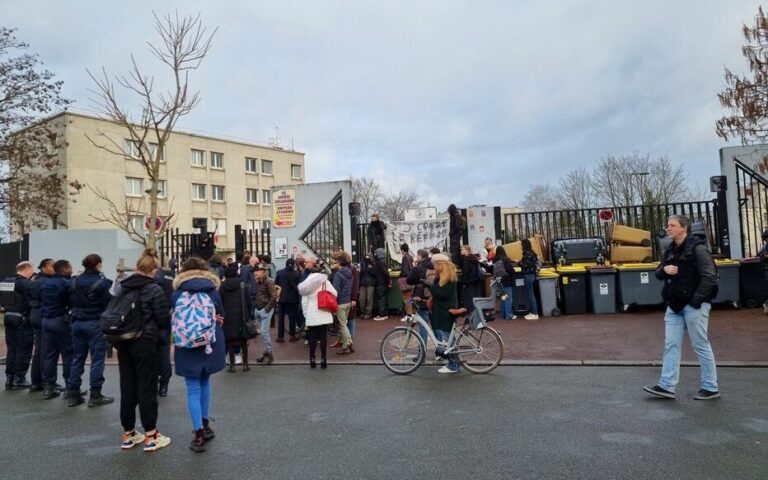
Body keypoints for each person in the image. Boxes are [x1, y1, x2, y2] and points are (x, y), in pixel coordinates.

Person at [644, 215, 720, 401]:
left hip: (694, 305)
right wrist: (664, 270)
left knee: (700, 344)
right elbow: (659, 272)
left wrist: (696, 300)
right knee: (671, 344)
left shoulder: (698, 248)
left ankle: (711, 386)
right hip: (674, 305)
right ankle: (666, 386)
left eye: (672, 225)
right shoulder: (670, 249)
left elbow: (710, 276)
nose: (668, 228)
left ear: (683, 229)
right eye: (668, 225)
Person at [115, 252, 172, 452]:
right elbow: (163, 319)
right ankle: (151, 434)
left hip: (123, 341)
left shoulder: (123, 287)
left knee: (127, 386)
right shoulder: (154, 289)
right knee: (147, 387)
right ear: (153, 271)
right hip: (145, 343)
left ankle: (128, 433)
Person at [171, 256, 226, 452]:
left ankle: (198, 434)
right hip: (208, 343)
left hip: (186, 344)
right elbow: (221, 314)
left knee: (192, 387)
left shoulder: (178, 292)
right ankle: (206, 423)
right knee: (205, 381)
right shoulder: (212, 290)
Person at [67, 254, 114, 407]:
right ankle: (95, 394)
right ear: (98, 264)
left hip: (76, 322)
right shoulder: (102, 283)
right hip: (94, 323)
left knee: (77, 358)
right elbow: (108, 304)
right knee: (97, 360)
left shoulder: (74, 281)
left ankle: (73, 394)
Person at [40, 259, 74, 400]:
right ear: (65, 269)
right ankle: (69, 387)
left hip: (46, 320)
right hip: (60, 319)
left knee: (49, 354)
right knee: (67, 354)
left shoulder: (44, 283)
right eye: (70, 267)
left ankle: (48, 387)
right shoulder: (65, 284)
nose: (72, 269)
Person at [298, 256, 337, 369]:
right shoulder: (325, 282)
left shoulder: (307, 284)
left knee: (312, 337)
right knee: (323, 337)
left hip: (312, 313)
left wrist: (306, 315)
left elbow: (304, 301)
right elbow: (335, 293)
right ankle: (324, 360)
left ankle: (312, 359)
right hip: (324, 312)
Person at [2, 261, 35, 390]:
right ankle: (19, 378)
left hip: (8, 316)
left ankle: (9, 378)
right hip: (22, 318)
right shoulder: (25, 283)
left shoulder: (5, 281)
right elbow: (31, 301)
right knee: (24, 348)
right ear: (27, 270)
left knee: (12, 348)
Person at [430, 254, 461, 374]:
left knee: (448, 338)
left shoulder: (448, 278)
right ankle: (452, 362)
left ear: (440, 265)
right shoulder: (444, 276)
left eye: (435, 265)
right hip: (443, 310)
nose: (434, 267)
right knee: (448, 337)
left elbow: (441, 294)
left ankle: (453, 365)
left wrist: (430, 286)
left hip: (445, 311)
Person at [28, 258, 55, 392]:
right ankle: (43, 382)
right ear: (44, 267)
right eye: (52, 266)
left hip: (34, 315)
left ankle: (36, 381)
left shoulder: (35, 280)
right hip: (43, 316)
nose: (55, 269)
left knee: (39, 349)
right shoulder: (46, 282)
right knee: (44, 350)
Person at [220, 265, 253, 372]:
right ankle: (245, 364)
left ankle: (232, 365)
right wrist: (249, 315)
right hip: (241, 317)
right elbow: (249, 302)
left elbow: (219, 303)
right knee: (243, 341)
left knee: (229, 342)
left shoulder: (222, 287)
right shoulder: (242, 286)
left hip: (228, 318)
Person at [251, 262, 278, 364]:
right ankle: (266, 352)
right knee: (263, 333)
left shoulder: (269, 281)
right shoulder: (258, 280)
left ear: (263, 272)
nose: (255, 273)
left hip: (264, 310)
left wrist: (266, 309)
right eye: (255, 271)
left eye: (257, 271)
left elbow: (274, 296)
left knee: (264, 332)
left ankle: (269, 354)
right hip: (258, 309)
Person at [407, 249, 435, 343]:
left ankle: (423, 348)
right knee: (436, 324)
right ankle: (440, 352)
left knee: (423, 324)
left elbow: (409, 280)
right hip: (434, 296)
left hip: (422, 297)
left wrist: (414, 267)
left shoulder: (419, 267)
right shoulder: (434, 265)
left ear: (420, 256)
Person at [331, 252, 354, 355]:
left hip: (340, 303)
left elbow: (335, 290)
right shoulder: (350, 273)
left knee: (342, 325)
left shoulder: (338, 274)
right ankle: (346, 343)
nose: (335, 263)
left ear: (339, 263)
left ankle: (348, 343)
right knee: (344, 323)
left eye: (336, 261)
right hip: (347, 301)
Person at [275, 258, 301, 342]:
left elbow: (276, 284)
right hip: (293, 299)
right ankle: (292, 335)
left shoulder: (279, 272)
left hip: (282, 298)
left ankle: (280, 336)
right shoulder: (297, 273)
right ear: (293, 265)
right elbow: (299, 286)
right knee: (292, 318)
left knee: (281, 318)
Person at [518, 239, 541, 320]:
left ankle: (534, 313)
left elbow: (525, 265)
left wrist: (519, 263)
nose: (521, 246)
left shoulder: (528, 254)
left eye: (521, 245)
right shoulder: (531, 253)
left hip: (528, 275)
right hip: (531, 275)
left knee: (531, 294)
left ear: (524, 245)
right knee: (531, 294)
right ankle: (532, 312)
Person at [493, 246, 516, 320]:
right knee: (508, 298)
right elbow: (511, 270)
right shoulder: (505, 260)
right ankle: (509, 315)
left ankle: (503, 314)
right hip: (507, 281)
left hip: (499, 282)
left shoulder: (495, 261)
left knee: (503, 298)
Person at [459, 245, 483, 314]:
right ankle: (478, 312)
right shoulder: (474, 258)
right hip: (477, 281)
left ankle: (472, 314)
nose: (461, 251)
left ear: (466, 251)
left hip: (469, 282)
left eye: (462, 249)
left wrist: (463, 282)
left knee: (470, 298)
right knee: (477, 297)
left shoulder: (466, 260)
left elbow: (466, 272)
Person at [373, 247, 390, 321]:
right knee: (383, 297)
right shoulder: (383, 261)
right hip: (383, 282)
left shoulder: (380, 262)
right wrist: (388, 282)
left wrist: (388, 282)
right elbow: (386, 273)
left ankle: (382, 314)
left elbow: (385, 273)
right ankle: (385, 313)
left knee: (381, 298)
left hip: (380, 282)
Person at [398, 244, 415, 315]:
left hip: (406, 281)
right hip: (412, 280)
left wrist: (401, 274)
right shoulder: (410, 256)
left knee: (407, 298)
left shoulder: (405, 257)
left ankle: (409, 314)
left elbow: (404, 270)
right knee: (411, 298)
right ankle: (413, 312)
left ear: (402, 250)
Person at [358, 254, 376, 319]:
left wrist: (371, 269)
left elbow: (375, 273)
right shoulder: (362, 264)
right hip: (363, 283)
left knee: (369, 299)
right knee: (361, 299)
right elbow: (360, 272)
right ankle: (363, 312)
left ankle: (368, 313)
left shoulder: (374, 264)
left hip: (371, 283)